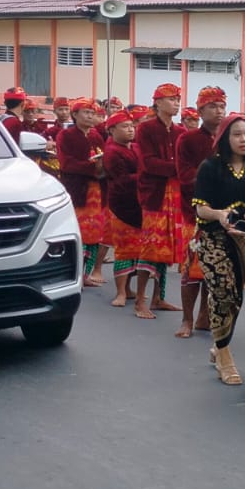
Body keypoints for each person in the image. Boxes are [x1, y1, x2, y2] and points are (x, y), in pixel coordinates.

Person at [190, 114, 245, 386]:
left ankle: (218, 344)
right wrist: (220, 214)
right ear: (225, 138)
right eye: (237, 134)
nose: (243, 140)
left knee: (235, 298)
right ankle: (224, 354)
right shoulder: (211, 167)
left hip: (243, 242)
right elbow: (200, 208)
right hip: (214, 240)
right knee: (221, 291)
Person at [175, 87, 227, 339]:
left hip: (224, 212)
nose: (219, 111)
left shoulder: (229, 137)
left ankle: (205, 315)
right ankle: (186, 319)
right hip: (194, 210)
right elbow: (184, 176)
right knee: (191, 268)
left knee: (213, 269)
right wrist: (212, 178)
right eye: (213, 107)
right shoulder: (188, 139)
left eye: (221, 106)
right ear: (200, 111)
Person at [134, 84, 185, 317]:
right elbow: (149, 163)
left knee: (167, 246)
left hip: (175, 193)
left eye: (178, 99)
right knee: (150, 244)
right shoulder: (146, 129)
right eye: (171, 99)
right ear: (157, 103)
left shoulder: (180, 131)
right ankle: (140, 300)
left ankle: (158, 297)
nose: (176, 103)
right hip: (154, 193)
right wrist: (179, 169)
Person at [101, 111, 151, 314]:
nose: (131, 129)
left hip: (140, 204)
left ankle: (130, 289)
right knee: (123, 250)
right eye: (124, 126)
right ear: (111, 130)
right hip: (121, 205)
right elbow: (121, 179)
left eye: (132, 125)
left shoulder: (137, 148)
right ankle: (120, 292)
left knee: (138, 250)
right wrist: (145, 176)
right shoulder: (112, 151)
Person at [56, 99, 109, 287]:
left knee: (96, 235)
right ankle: (72, 274)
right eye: (85, 112)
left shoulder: (96, 136)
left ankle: (86, 274)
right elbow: (66, 164)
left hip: (98, 191)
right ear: (75, 115)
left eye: (92, 113)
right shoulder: (66, 135)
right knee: (79, 233)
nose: (89, 116)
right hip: (78, 190)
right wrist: (93, 165)